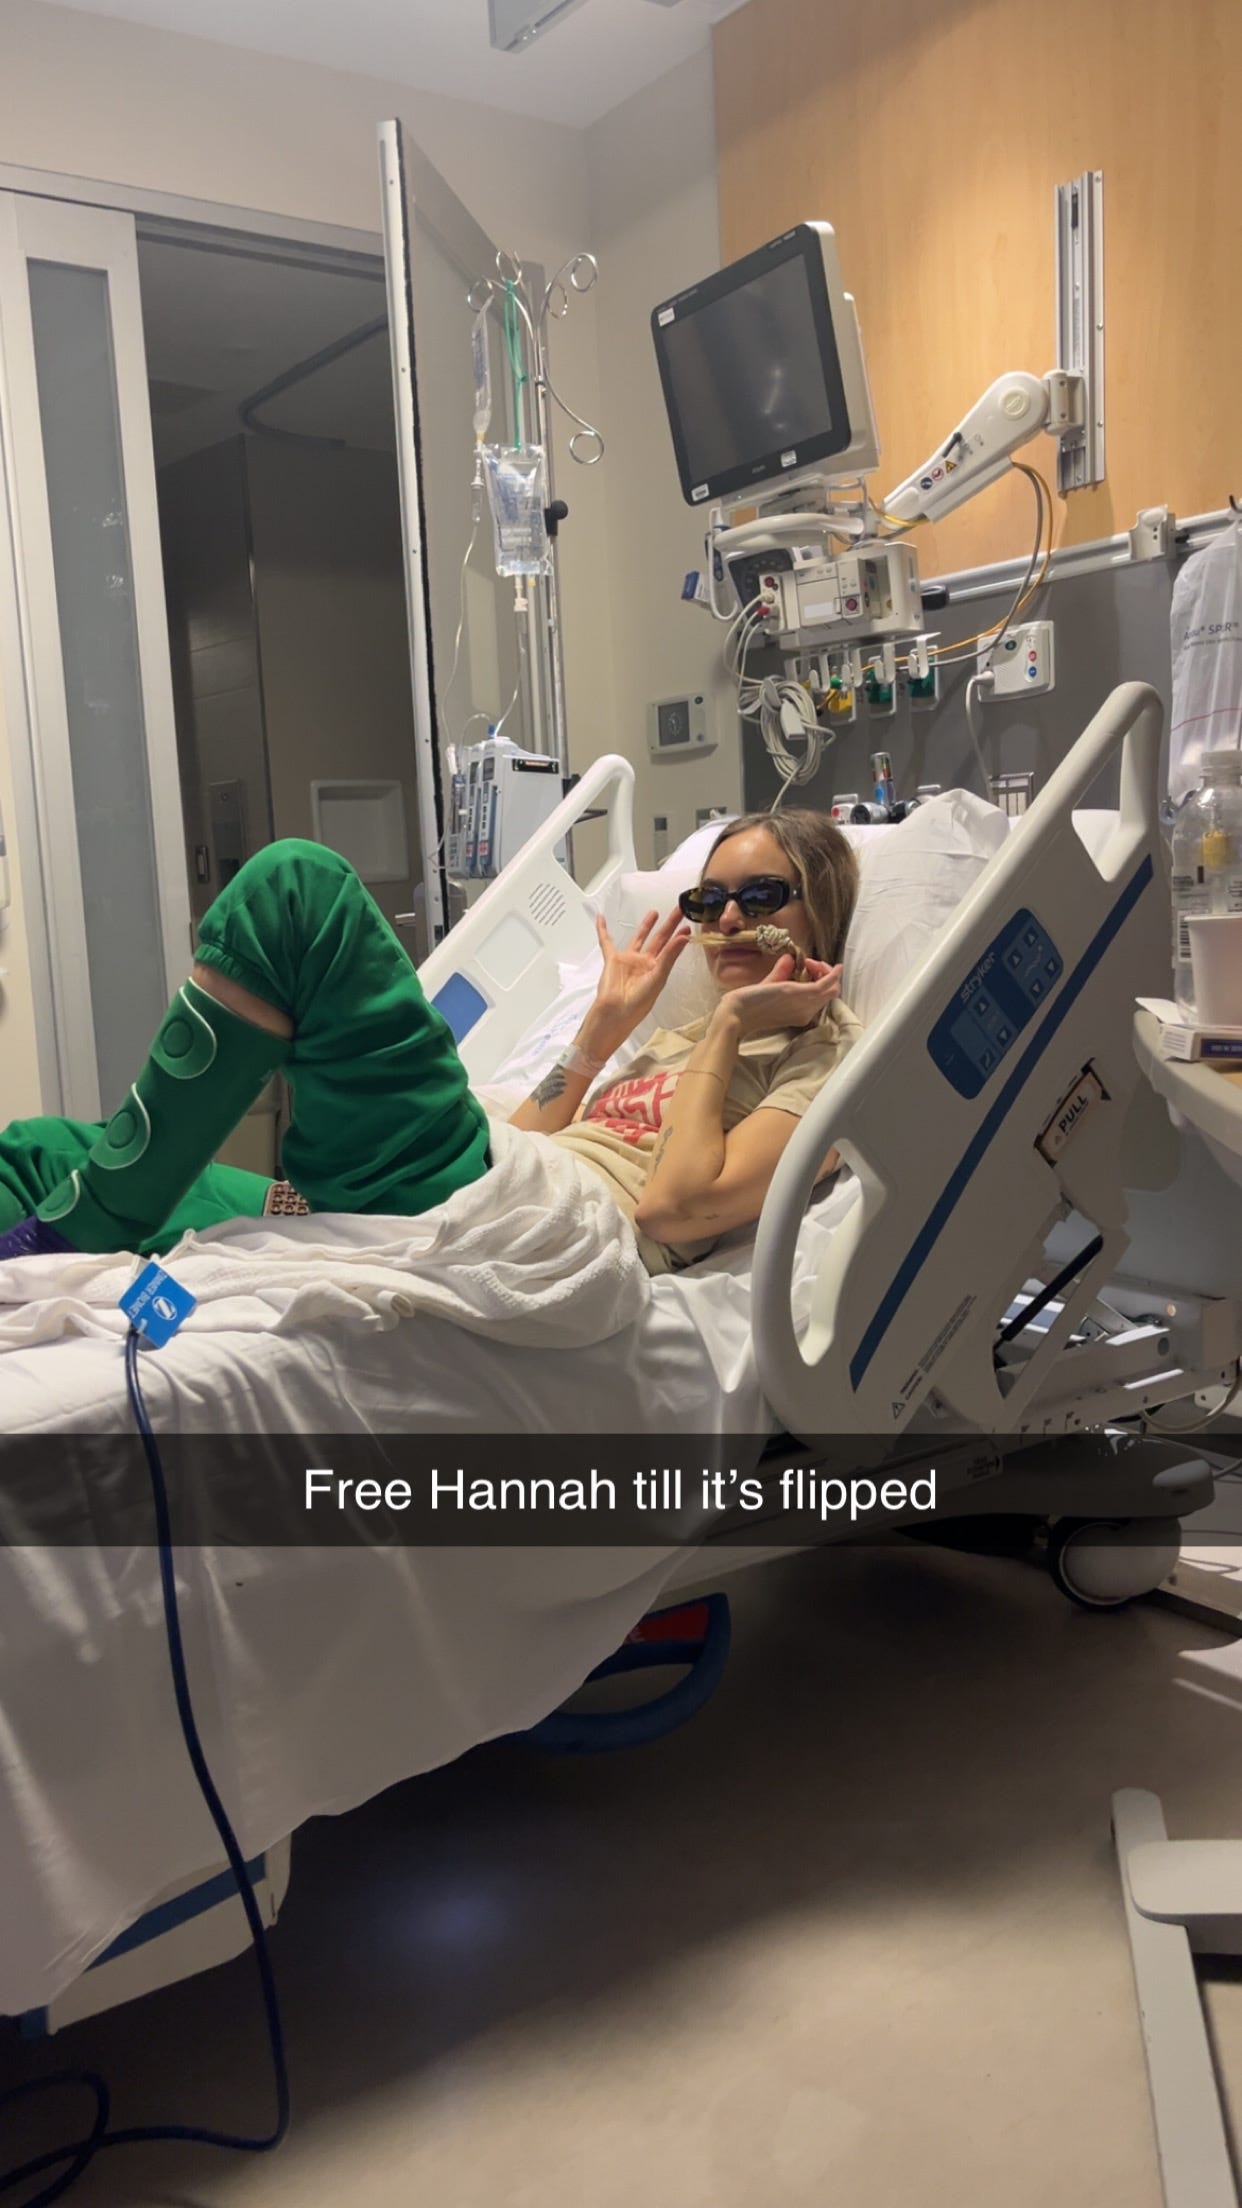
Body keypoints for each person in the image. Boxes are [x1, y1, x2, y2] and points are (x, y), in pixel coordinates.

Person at [0, 810, 861, 1275]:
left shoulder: (831, 1067)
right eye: (709, 901)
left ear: (818, 904)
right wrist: (601, 1034)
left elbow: (671, 1210)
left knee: (297, 889)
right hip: (480, 1177)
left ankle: (89, 1226)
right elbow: (529, 1135)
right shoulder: (674, 1037)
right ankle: (79, 1223)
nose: (730, 919)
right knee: (40, 1153)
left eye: (761, 895)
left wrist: (730, 1027)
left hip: (525, 1223)